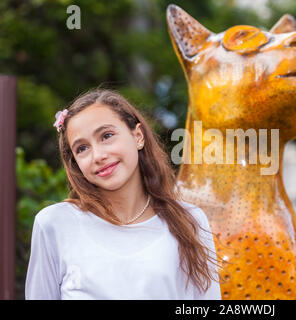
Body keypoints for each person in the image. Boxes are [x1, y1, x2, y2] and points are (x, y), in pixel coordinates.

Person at [25, 89, 221, 300]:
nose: (98, 156)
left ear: (138, 136)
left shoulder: (189, 220)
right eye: (82, 148)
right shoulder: (54, 224)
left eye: (107, 136)